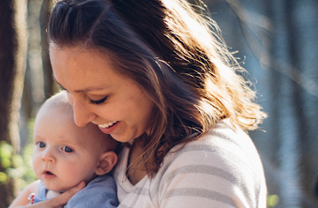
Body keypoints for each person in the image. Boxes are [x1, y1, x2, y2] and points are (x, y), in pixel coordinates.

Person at [17, 0, 268, 207]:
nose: (79, 118)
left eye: (97, 98)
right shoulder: (123, 142)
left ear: (159, 75)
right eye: (66, 90)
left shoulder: (204, 166)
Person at [9, 92, 120, 208]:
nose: (46, 156)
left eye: (66, 149)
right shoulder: (40, 187)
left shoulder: (93, 198)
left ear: (102, 164)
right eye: (41, 144)